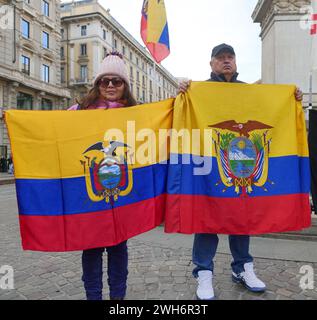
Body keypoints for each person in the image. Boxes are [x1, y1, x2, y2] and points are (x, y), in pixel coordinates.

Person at [179, 43, 304, 300]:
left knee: (241, 215)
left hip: (242, 161)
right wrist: (182, 89)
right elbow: (183, 112)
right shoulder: (199, 90)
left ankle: (242, 268)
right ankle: (203, 272)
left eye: (230, 57)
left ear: (235, 62)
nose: (226, 61)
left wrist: (293, 98)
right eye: (220, 58)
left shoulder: (248, 91)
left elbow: (271, 110)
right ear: (211, 63)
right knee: (206, 217)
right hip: (210, 162)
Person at [68, 52, 137, 300]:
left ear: (125, 86)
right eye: (104, 80)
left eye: (116, 81)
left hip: (121, 197)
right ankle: (93, 297)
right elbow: (51, 134)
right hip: (91, 197)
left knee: (119, 249)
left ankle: (118, 299)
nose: (109, 85)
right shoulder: (78, 111)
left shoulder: (137, 114)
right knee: (92, 250)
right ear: (97, 84)